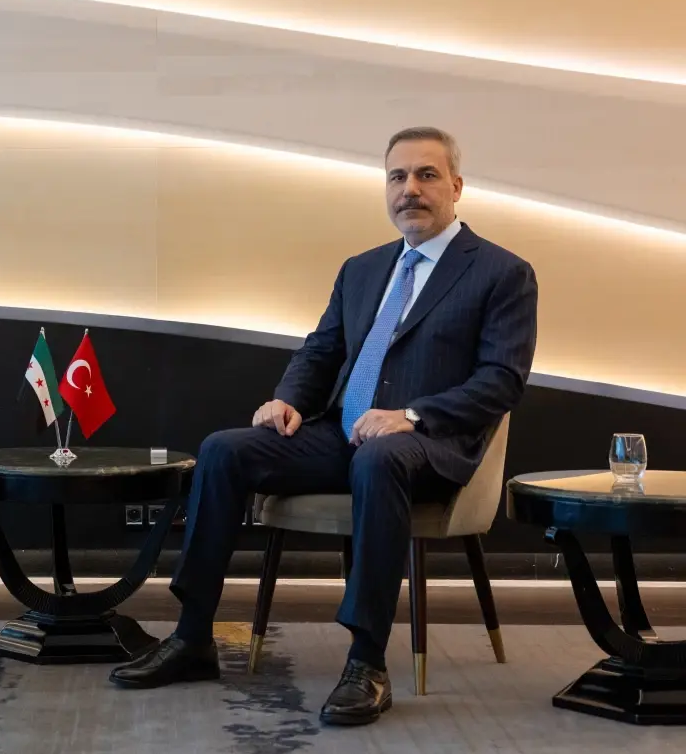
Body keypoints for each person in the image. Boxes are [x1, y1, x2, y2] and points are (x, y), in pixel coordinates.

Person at [108, 127, 538, 726]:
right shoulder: (362, 270)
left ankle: (366, 664)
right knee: (224, 450)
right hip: (341, 434)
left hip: (428, 445)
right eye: (397, 177)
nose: (410, 189)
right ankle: (192, 635)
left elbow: (501, 380)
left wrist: (411, 416)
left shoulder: (501, 272)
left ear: (457, 186)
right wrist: (286, 400)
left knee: (380, 457)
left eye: (427, 175)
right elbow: (321, 350)